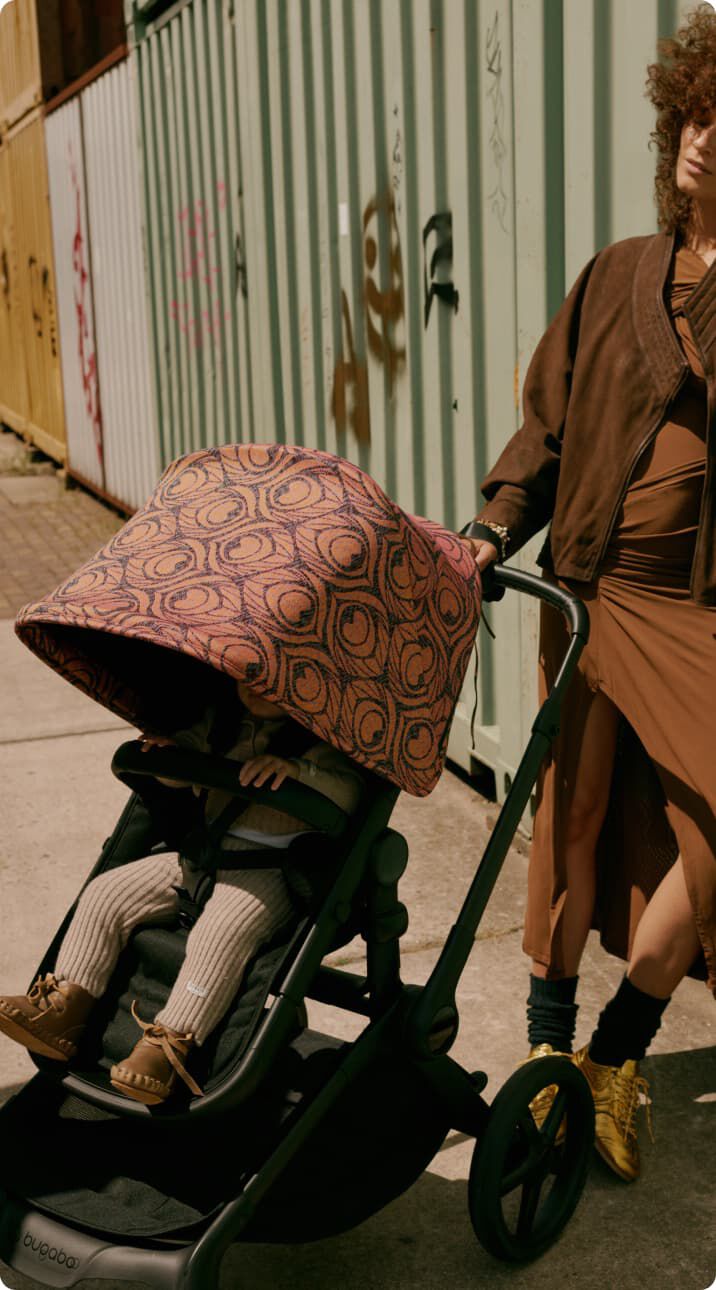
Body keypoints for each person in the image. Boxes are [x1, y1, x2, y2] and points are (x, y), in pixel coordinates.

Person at [466, 7, 716, 1183]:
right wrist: (492, 525)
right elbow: (548, 422)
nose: (702, 138)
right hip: (586, 584)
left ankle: (617, 1052)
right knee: (568, 824)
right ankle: (549, 1057)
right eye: (695, 116)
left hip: (694, 608)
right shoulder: (617, 271)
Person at [0, 679, 364, 1105]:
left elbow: (349, 790)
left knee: (220, 932)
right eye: (245, 679)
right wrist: (166, 755)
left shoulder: (323, 738)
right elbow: (182, 761)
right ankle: (64, 1009)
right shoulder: (221, 720)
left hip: (269, 870)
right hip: (200, 855)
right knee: (107, 894)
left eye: (268, 683)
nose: (254, 689)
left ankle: (169, 1048)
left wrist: (299, 773)